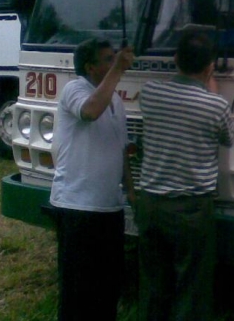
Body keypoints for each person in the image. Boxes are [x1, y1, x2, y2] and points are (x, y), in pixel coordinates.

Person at [137, 30, 234, 321]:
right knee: (191, 287)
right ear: (210, 68)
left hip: (151, 204)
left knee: (154, 283)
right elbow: (229, 138)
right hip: (192, 209)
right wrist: (212, 89)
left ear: (176, 59)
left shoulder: (151, 93)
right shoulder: (215, 105)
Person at [49, 38, 135, 321]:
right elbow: (89, 111)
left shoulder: (116, 101)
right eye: (108, 59)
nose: (114, 62)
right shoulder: (75, 89)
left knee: (108, 286)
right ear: (91, 67)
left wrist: (131, 192)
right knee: (78, 289)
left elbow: (121, 149)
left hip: (110, 207)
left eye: (115, 58)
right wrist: (119, 70)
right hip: (78, 206)